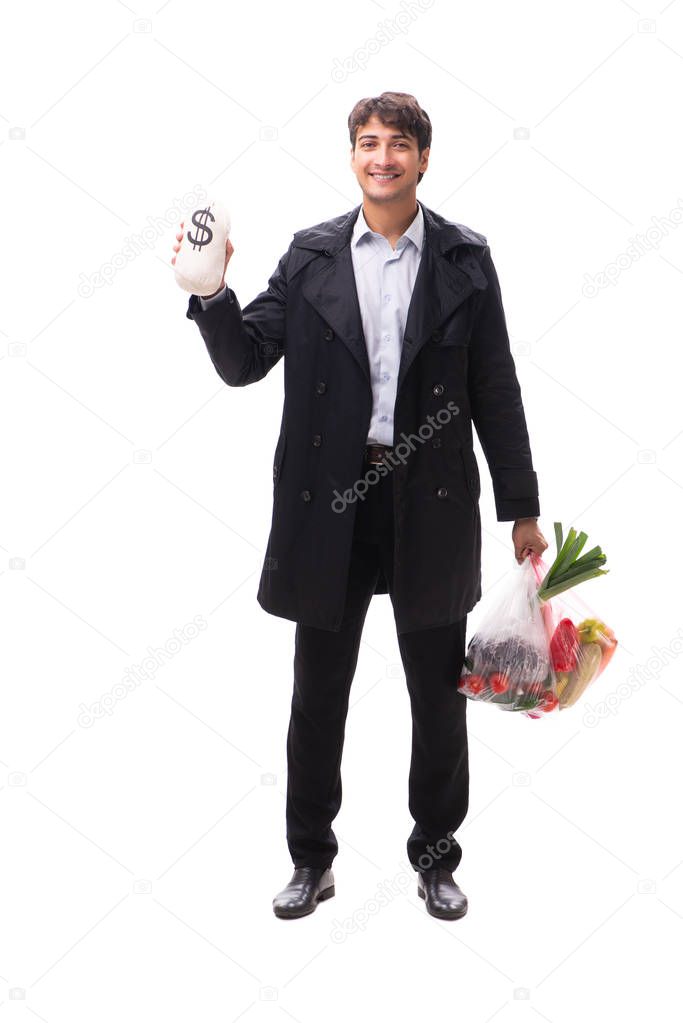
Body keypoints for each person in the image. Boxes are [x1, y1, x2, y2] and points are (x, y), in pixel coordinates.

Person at [173, 91, 548, 921]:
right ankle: (311, 860)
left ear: (422, 158)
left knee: (438, 697)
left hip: (432, 498)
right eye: (367, 143)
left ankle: (435, 861)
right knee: (318, 694)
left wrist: (521, 506)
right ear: (351, 156)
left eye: (399, 144)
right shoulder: (310, 256)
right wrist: (209, 295)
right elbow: (244, 362)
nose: (382, 157)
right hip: (330, 503)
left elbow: (495, 385)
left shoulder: (464, 258)